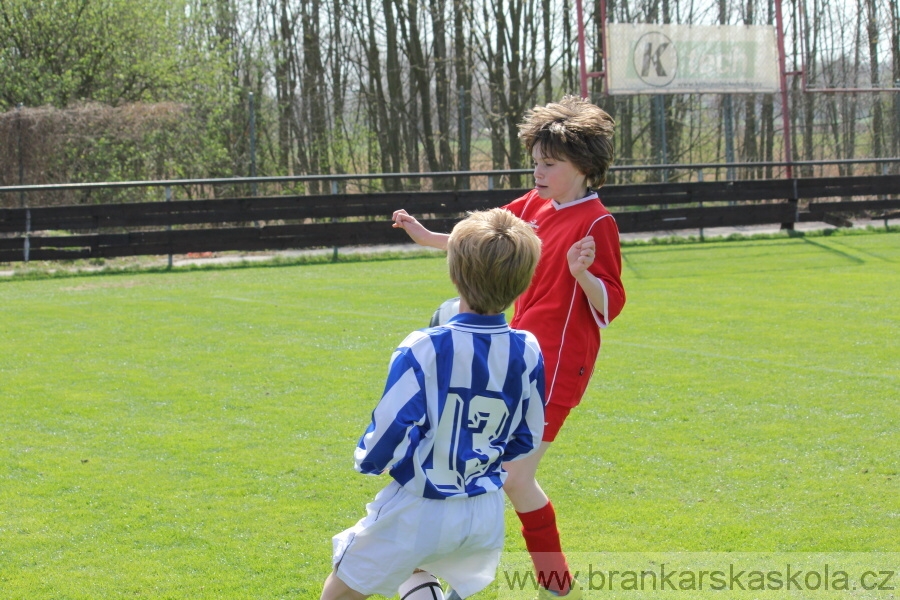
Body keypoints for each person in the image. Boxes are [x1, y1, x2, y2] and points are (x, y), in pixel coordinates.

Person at [391, 95, 626, 599]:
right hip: (512, 361)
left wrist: (583, 274)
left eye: (549, 163)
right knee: (495, 469)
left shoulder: (597, 223)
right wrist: (427, 235)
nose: (537, 172)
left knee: (514, 477)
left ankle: (551, 583)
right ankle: (484, 575)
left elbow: (612, 303)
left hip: (559, 369)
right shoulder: (534, 204)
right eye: (535, 161)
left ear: (585, 167)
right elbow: (482, 239)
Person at [321, 208, 546, 600]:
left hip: (421, 504)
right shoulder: (527, 349)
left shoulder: (424, 346)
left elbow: (393, 422)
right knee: (417, 568)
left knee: (339, 592)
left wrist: (369, 461)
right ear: (523, 281)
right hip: (484, 509)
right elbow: (528, 435)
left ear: (454, 274)